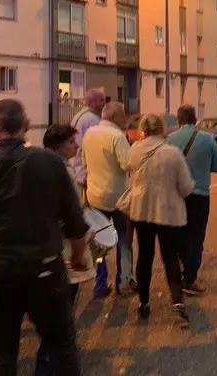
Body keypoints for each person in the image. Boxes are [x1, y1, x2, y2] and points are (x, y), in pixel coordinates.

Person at [0, 100, 89, 376]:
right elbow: (75, 220)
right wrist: (78, 254)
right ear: (26, 126)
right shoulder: (50, 162)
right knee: (61, 343)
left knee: (1, 352)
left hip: (0, 269)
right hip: (45, 267)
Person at [119, 113, 194, 324]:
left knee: (145, 255)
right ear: (163, 129)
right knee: (170, 256)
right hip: (168, 211)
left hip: (141, 211)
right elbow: (186, 187)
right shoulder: (172, 153)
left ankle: (144, 301)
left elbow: (129, 173)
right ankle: (177, 301)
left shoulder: (134, 150)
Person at [35, 124, 95, 376]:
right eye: (72, 141)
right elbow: (71, 216)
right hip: (62, 250)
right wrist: (81, 251)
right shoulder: (62, 171)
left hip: (42, 247)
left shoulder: (37, 165)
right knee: (60, 315)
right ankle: (47, 367)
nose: (77, 145)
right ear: (59, 145)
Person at [168, 104, 217, 296]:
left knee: (179, 234)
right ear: (195, 119)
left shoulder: (169, 140)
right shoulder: (207, 139)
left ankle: (180, 270)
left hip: (177, 195)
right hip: (200, 194)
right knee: (196, 235)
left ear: (179, 119)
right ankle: (190, 278)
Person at [81, 101, 135, 297]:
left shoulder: (89, 134)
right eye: (123, 115)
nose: (125, 119)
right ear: (114, 117)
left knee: (99, 244)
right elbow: (127, 165)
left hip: (95, 196)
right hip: (118, 198)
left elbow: (85, 162)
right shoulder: (117, 136)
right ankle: (123, 281)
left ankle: (100, 283)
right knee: (123, 240)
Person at [70, 88, 106, 186]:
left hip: (76, 168)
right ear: (93, 102)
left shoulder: (78, 115)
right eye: (101, 100)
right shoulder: (93, 119)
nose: (104, 103)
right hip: (86, 171)